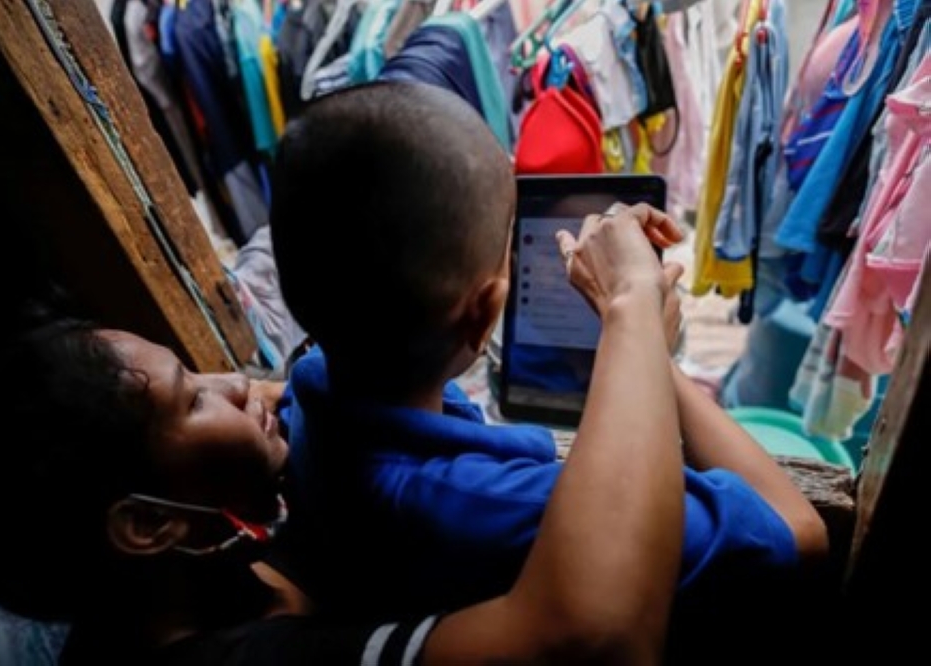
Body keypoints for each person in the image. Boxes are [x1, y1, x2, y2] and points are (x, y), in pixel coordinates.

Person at [0, 198, 689, 665]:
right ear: (147, 521)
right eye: (192, 401)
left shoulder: (188, 565)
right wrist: (630, 312)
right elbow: (591, 638)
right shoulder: (242, 657)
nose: (233, 382)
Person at [269, 80, 829, 624]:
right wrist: (639, 335)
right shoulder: (499, 504)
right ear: (486, 311)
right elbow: (796, 529)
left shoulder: (306, 397)